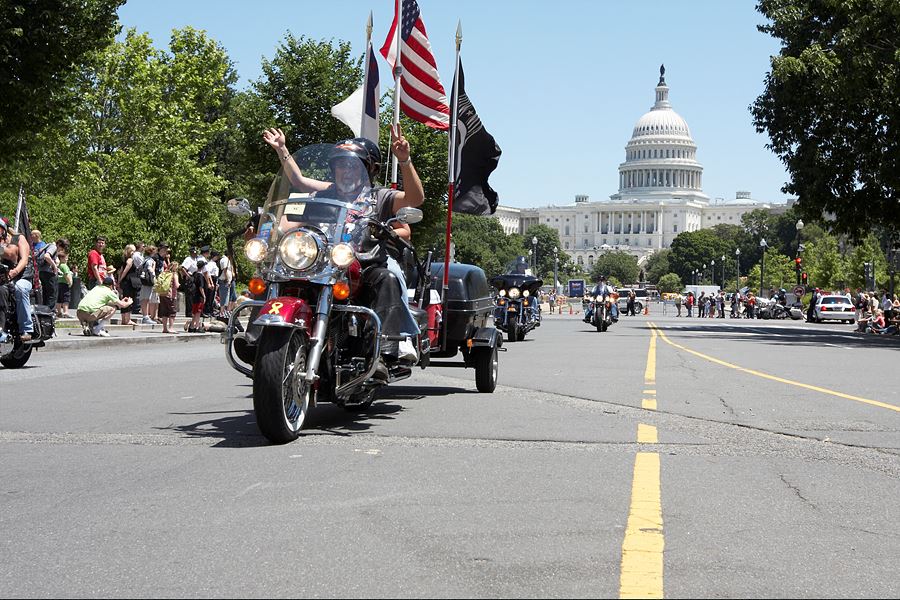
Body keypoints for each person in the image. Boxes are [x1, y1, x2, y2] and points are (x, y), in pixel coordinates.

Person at [261, 125, 425, 365]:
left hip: (362, 264)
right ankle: (260, 337)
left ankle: (387, 346)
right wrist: (283, 150)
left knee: (386, 278)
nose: (345, 171)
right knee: (278, 273)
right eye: (340, 165)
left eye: (352, 165)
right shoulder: (327, 193)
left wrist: (404, 160)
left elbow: (415, 199)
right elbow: (297, 181)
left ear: (368, 170)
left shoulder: (379, 197)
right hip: (322, 262)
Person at [0, 218, 35, 342]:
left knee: (19, 288)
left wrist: (13, 272)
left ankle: (26, 328)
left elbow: (22, 259)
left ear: (5, 229)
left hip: (23, 277)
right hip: (5, 279)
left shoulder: (18, 238)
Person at [156, 261, 179, 333]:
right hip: (171, 295)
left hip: (162, 294)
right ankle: (171, 328)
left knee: (164, 312)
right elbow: (176, 285)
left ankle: (165, 328)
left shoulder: (164, 273)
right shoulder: (174, 274)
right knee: (172, 312)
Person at [55, 247, 74, 318]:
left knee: (59, 298)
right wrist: (70, 282)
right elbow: (67, 275)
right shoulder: (64, 266)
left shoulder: (59, 265)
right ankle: (65, 312)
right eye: (66, 257)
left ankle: (59, 312)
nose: (67, 259)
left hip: (58, 284)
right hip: (64, 284)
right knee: (66, 298)